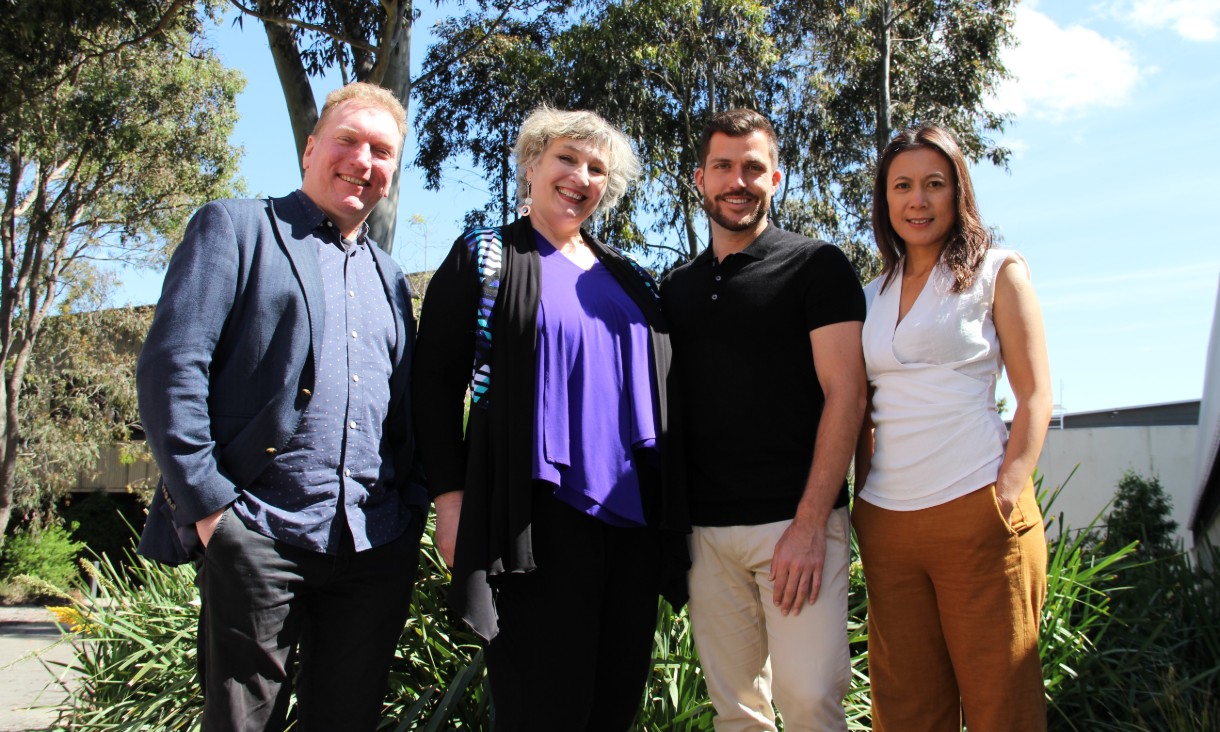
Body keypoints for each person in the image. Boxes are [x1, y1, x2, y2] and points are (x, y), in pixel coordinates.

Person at [135, 82, 427, 732]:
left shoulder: (390, 277)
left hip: (373, 546)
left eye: (382, 150)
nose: (363, 159)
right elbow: (170, 369)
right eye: (348, 140)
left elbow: (405, 412)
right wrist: (212, 512)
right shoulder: (236, 229)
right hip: (259, 536)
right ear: (310, 148)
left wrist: (409, 510)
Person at [412, 106, 690, 730]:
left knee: (611, 707)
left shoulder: (634, 280)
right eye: (567, 157)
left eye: (597, 168)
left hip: (633, 525)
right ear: (532, 165)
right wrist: (452, 504)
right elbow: (433, 387)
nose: (581, 176)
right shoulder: (486, 257)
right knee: (542, 706)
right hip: (534, 521)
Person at [661, 108, 867, 731]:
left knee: (809, 700)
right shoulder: (674, 288)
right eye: (723, 166)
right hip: (707, 536)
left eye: (753, 167)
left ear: (776, 178)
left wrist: (809, 526)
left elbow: (848, 396)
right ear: (699, 178)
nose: (737, 181)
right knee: (737, 715)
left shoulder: (816, 267)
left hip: (796, 527)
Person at [853, 125, 1052, 732]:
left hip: (978, 511)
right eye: (903, 186)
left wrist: (1008, 492)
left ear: (957, 191)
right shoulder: (868, 295)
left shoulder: (997, 271)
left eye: (934, 184)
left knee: (1001, 704)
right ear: (885, 201)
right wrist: (862, 501)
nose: (918, 200)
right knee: (907, 709)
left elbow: (1036, 393)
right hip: (888, 523)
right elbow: (860, 407)